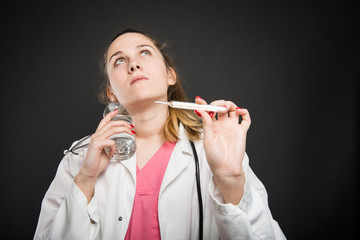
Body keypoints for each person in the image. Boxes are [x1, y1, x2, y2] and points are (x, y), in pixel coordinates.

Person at [34, 28, 286, 240]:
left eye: (144, 52)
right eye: (119, 60)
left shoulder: (214, 148)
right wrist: (86, 179)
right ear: (111, 92)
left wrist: (230, 180)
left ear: (170, 75)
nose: (134, 64)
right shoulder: (80, 157)